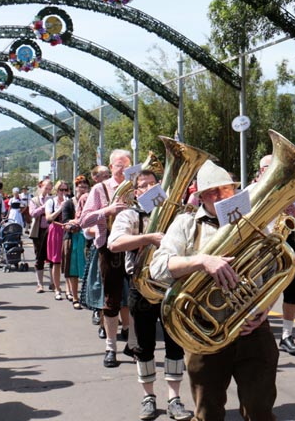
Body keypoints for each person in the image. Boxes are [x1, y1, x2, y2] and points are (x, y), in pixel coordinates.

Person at [150, 160, 278, 421]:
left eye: (227, 190)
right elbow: (158, 267)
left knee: (260, 410)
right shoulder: (186, 224)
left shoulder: (251, 222)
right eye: (214, 192)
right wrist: (202, 261)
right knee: (208, 413)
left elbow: (275, 272)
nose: (222, 196)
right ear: (200, 197)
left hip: (251, 330)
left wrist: (265, 309)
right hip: (205, 333)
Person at [108, 170, 192, 421]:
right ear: (136, 193)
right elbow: (114, 243)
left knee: (175, 343)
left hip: (173, 285)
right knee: (143, 345)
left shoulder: (177, 214)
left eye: (153, 185)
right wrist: (149, 238)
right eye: (143, 186)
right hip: (141, 287)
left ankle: (174, 399)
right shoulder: (130, 214)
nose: (148, 189)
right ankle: (148, 397)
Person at [80, 150, 133, 368]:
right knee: (111, 299)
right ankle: (111, 347)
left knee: (137, 298)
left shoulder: (136, 188)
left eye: (128, 165)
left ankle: (132, 341)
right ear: (111, 167)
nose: (125, 169)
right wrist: (107, 210)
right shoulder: (99, 189)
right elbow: (84, 220)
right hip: (109, 248)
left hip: (133, 246)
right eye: (120, 165)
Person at [257, 154, 295, 357]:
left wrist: (293, 211)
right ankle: (258, 329)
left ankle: (287, 335)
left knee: (292, 292)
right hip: (260, 245)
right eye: (269, 167)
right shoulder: (253, 191)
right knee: (262, 291)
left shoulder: (290, 192)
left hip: (287, 244)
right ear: (261, 171)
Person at [45, 181, 71, 300]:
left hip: (67, 230)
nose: (63, 192)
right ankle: (57, 288)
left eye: (66, 190)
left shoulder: (70, 201)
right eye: (61, 190)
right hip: (56, 230)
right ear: (56, 190)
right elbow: (48, 218)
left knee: (68, 260)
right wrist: (61, 208)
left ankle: (68, 289)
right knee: (56, 261)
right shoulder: (51, 201)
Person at [62, 176, 86, 308]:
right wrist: (74, 224)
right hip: (72, 238)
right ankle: (75, 297)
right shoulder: (69, 203)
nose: (83, 189)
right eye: (80, 186)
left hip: (86, 238)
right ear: (75, 188)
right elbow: (65, 222)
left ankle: (86, 296)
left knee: (86, 269)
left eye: (85, 186)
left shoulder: (90, 201)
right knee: (73, 269)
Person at [28, 179, 53, 293]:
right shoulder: (34, 200)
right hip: (38, 231)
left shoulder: (52, 199)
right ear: (40, 187)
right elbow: (33, 213)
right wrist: (44, 208)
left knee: (52, 257)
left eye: (49, 189)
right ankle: (40, 284)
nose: (47, 191)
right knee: (39, 257)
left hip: (50, 230)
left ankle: (53, 282)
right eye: (45, 188)